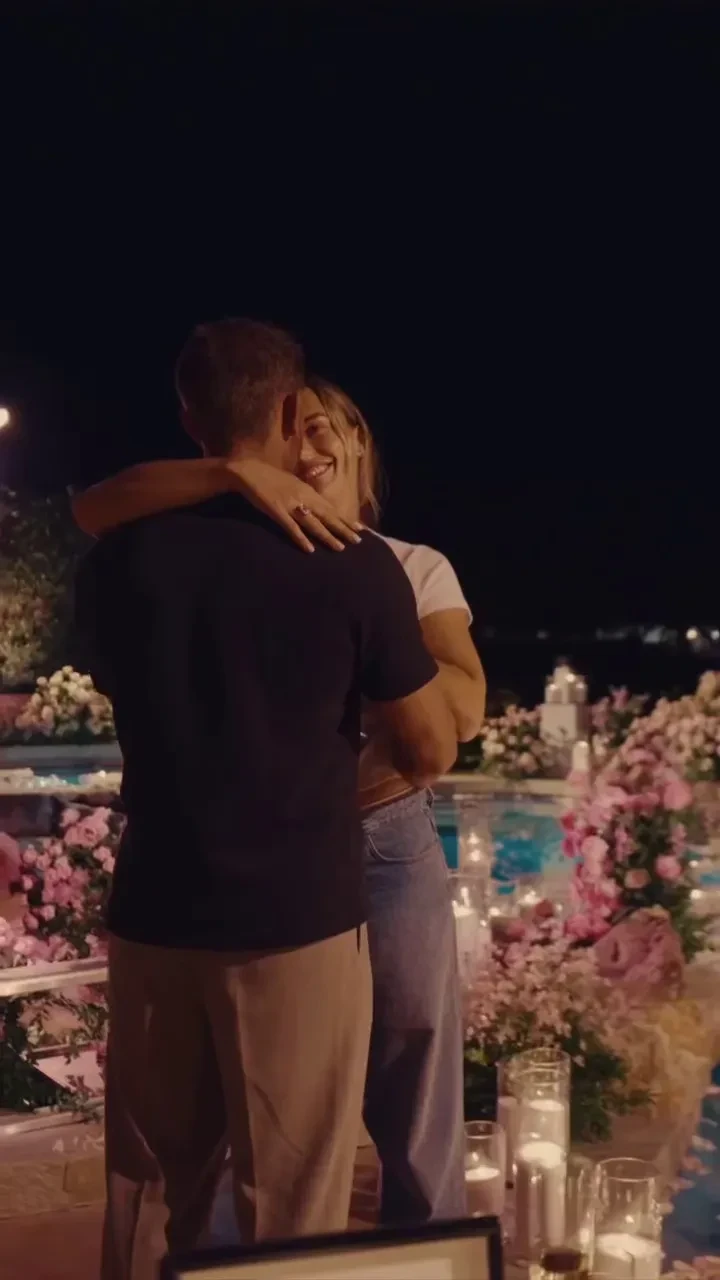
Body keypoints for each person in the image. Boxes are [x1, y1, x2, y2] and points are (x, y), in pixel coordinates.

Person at [74, 319, 457, 1278]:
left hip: (157, 916)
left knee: (149, 1193)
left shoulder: (119, 558)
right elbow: (427, 747)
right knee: (294, 1211)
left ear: (188, 419)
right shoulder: (354, 562)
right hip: (297, 925)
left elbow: (117, 662)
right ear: (292, 413)